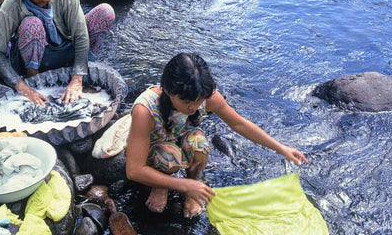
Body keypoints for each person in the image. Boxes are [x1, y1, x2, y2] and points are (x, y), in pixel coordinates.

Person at [126, 53, 308, 218]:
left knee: (200, 144)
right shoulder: (145, 110)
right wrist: (179, 184)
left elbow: (239, 124)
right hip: (155, 146)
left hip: (181, 135)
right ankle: (161, 184)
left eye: (198, 101)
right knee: (169, 156)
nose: (193, 107)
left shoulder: (207, 97)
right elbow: (134, 170)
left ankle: (193, 186)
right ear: (167, 89)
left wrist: (281, 148)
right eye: (186, 102)